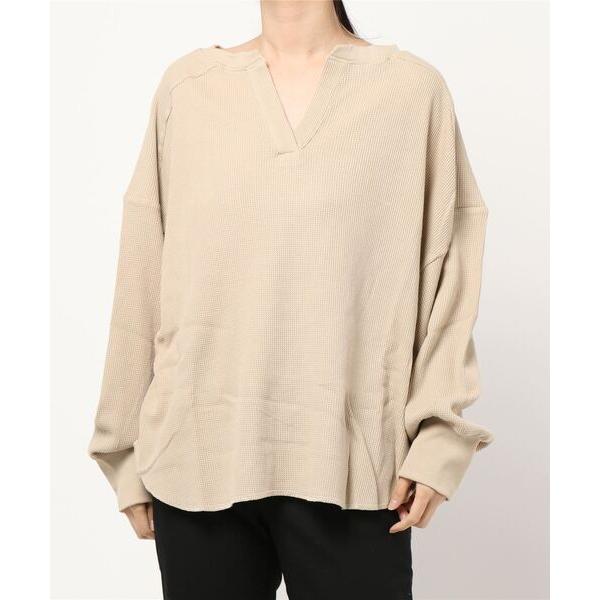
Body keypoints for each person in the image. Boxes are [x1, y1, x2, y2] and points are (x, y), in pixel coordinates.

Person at [88, 1, 493, 598]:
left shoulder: (411, 93)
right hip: (197, 460)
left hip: (354, 468)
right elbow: (143, 272)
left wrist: (439, 440)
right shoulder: (188, 89)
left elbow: (451, 271)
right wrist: (122, 448)